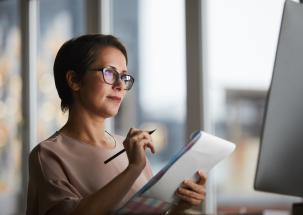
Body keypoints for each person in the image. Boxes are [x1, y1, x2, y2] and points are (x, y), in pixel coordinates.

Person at [26, 34, 207, 215]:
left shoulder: (129, 148)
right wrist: (133, 169)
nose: (121, 85)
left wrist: (178, 207)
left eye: (124, 76)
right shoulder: (48, 155)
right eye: (110, 73)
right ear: (74, 80)